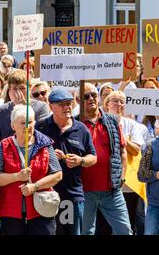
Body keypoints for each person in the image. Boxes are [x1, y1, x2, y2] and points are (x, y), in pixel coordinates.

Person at [35, 89, 97, 235]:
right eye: (61, 104)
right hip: (45, 194)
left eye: (69, 104)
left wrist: (80, 160)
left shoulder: (81, 128)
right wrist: (48, 156)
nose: (67, 107)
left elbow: (93, 157)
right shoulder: (41, 127)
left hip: (71, 194)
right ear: (51, 106)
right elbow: (30, 154)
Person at [0, 105, 62, 235]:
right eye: (23, 123)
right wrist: (17, 177)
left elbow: (58, 175)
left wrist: (35, 186)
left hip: (41, 208)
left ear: (35, 123)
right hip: (11, 210)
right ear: (13, 126)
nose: (27, 126)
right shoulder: (4, 145)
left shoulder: (45, 144)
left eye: (30, 122)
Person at [78, 83, 132, 235]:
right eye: (86, 96)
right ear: (77, 99)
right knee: (85, 232)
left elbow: (122, 152)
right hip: (84, 191)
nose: (91, 99)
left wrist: (122, 177)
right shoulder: (75, 124)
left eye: (94, 95)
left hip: (111, 190)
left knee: (124, 231)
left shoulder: (111, 121)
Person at [104, 90, 150, 235]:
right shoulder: (101, 123)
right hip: (106, 181)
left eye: (122, 101)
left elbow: (136, 150)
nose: (119, 104)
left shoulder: (132, 124)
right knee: (106, 224)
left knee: (129, 223)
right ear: (107, 105)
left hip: (129, 183)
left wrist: (122, 138)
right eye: (115, 101)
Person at [0, 69, 51, 147]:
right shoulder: (0, 111)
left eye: (22, 88)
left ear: (29, 88)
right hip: (7, 156)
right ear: (9, 90)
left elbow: (42, 137)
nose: (18, 92)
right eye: (15, 89)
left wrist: (24, 108)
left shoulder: (41, 107)